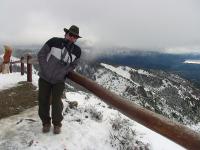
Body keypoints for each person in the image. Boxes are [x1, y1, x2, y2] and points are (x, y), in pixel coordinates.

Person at [37, 25, 82, 134]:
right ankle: (46, 123)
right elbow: (41, 54)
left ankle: (57, 124)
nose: (72, 38)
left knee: (56, 102)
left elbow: (74, 65)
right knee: (43, 100)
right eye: (71, 35)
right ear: (66, 34)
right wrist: (45, 68)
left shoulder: (77, 51)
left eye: (75, 36)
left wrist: (64, 72)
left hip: (59, 80)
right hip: (44, 77)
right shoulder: (54, 41)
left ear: (76, 38)